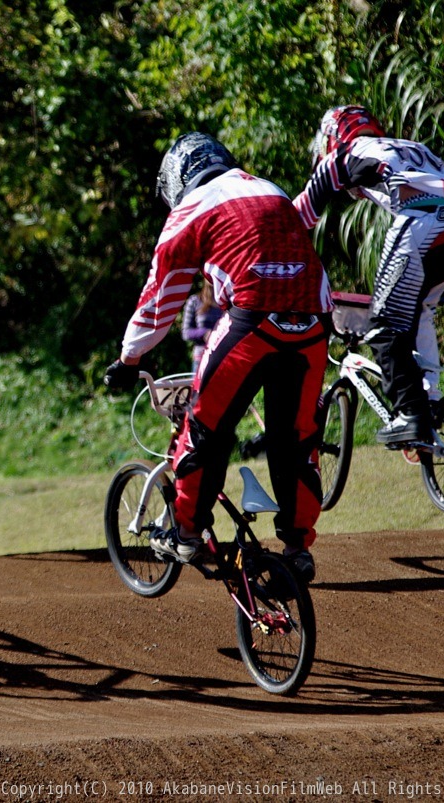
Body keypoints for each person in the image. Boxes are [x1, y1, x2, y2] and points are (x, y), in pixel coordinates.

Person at [103, 132, 332, 582]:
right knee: (297, 438)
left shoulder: (191, 208)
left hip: (251, 320)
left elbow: (160, 296)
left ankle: (186, 534)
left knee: (206, 425)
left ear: (177, 178)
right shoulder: (270, 188)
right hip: (313, 321)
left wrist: (129, 360)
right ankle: (297, 547)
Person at [294, 105, 444, 446]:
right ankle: (431, 399)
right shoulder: (409, 147)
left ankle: (410, 413)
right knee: (421, 308)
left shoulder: (347, 154)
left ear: (334, 138)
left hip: (424, 215)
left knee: (383, 322)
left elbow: (300, 215)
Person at [181, 283, 222, 373]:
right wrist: (205, 333)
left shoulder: (225, 302)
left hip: (222, 358)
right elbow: (186, 333)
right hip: (201, 358)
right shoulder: (195, 301)